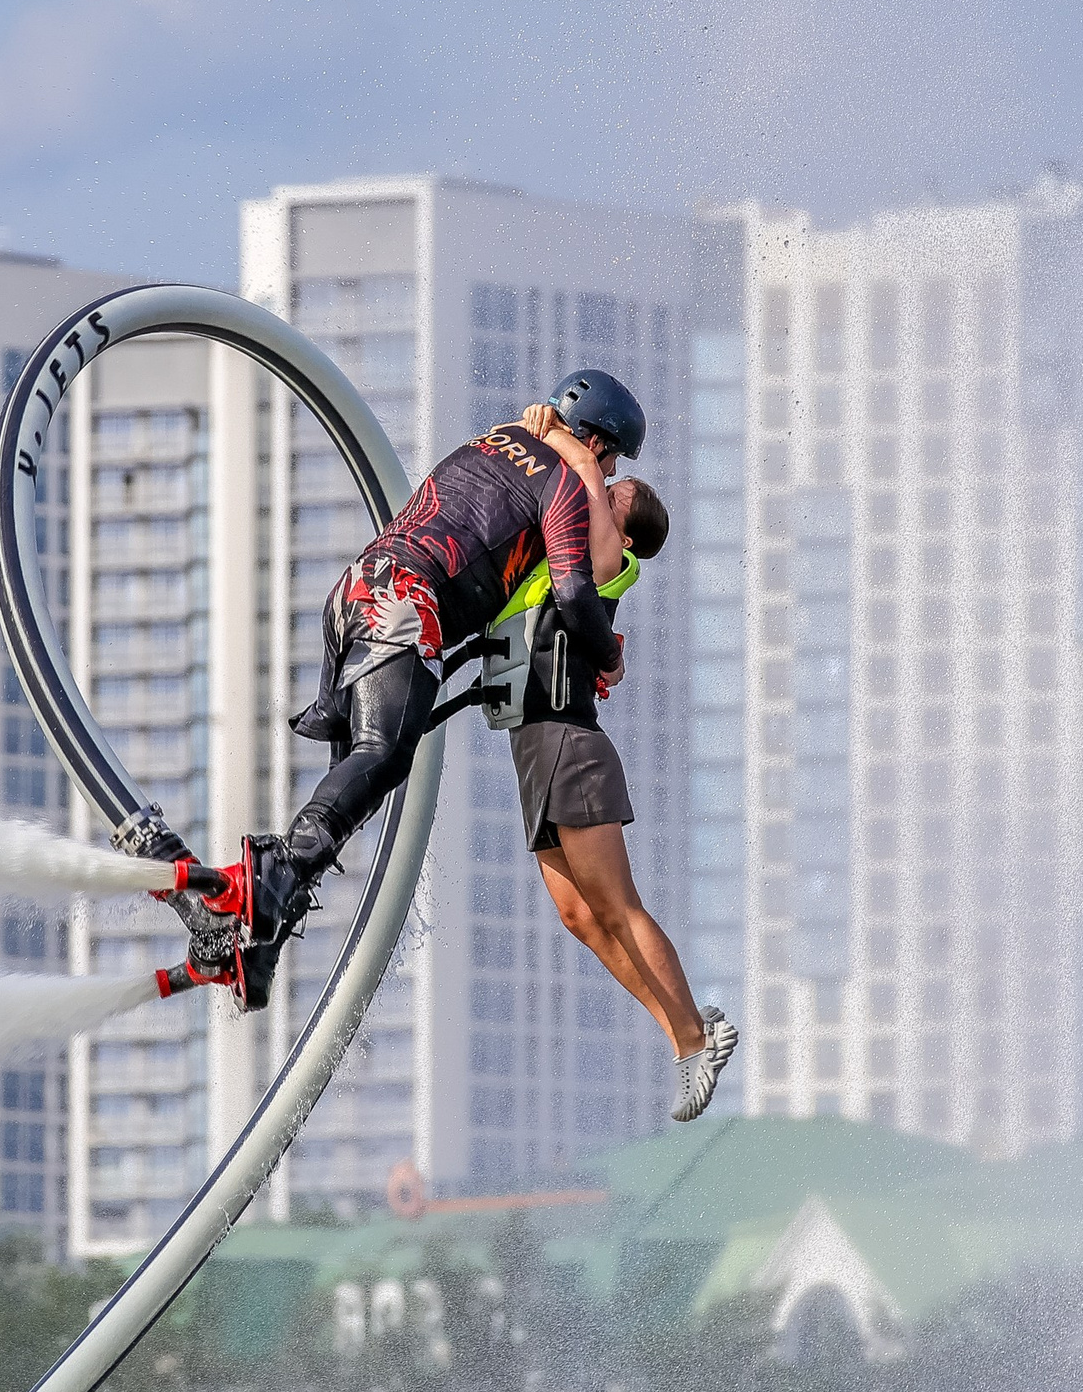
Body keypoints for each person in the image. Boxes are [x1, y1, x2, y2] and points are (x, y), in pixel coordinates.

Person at [236, 370, 641, 1003]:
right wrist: (608, 653)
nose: (611, 476)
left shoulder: (500, 437)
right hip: (406, 600)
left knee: (356, 782)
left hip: (358, 588)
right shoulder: (562, 482)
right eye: (612, 460)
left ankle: (255, 940)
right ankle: (274, 874)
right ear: (597, 441)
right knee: (384, 754)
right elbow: (572, 587)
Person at [506, 438, 738, 1122]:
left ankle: (695, 1036)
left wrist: (556, 435)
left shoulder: (613, 562)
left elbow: (580, 473)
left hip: (570, 746)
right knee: (580, 914)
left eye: (614, 498)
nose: (598, 492)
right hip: (534, 748)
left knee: (618, 903)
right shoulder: (568, 555)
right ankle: (686, 1031)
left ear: (626, 531)